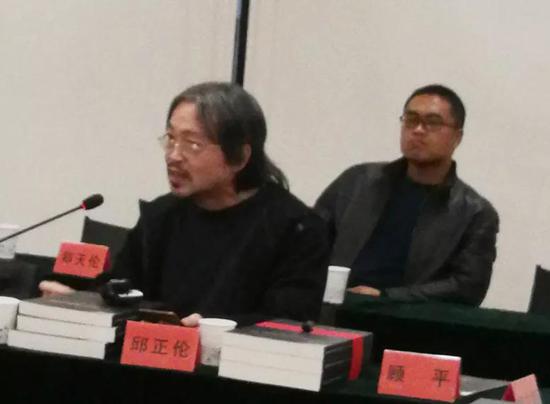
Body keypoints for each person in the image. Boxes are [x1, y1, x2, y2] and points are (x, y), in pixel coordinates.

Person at [40, 82, 330, 325]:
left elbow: (288, 323)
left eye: (192, 144)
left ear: (240, 157)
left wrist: (214, 330)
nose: (173, 156)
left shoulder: (297, 228)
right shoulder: (160, 216)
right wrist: (81, 302)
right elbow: (122, 290)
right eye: (170, 139)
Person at [315, 84, 498, 306]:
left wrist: (386, 297)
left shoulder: (475, 213)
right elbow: (309, 244)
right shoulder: (357, 182)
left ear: (457, 137)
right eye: (411, 120)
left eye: (432, 122)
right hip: (333, 310)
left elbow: (467, 288)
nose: (418, 130)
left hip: (408, 320)